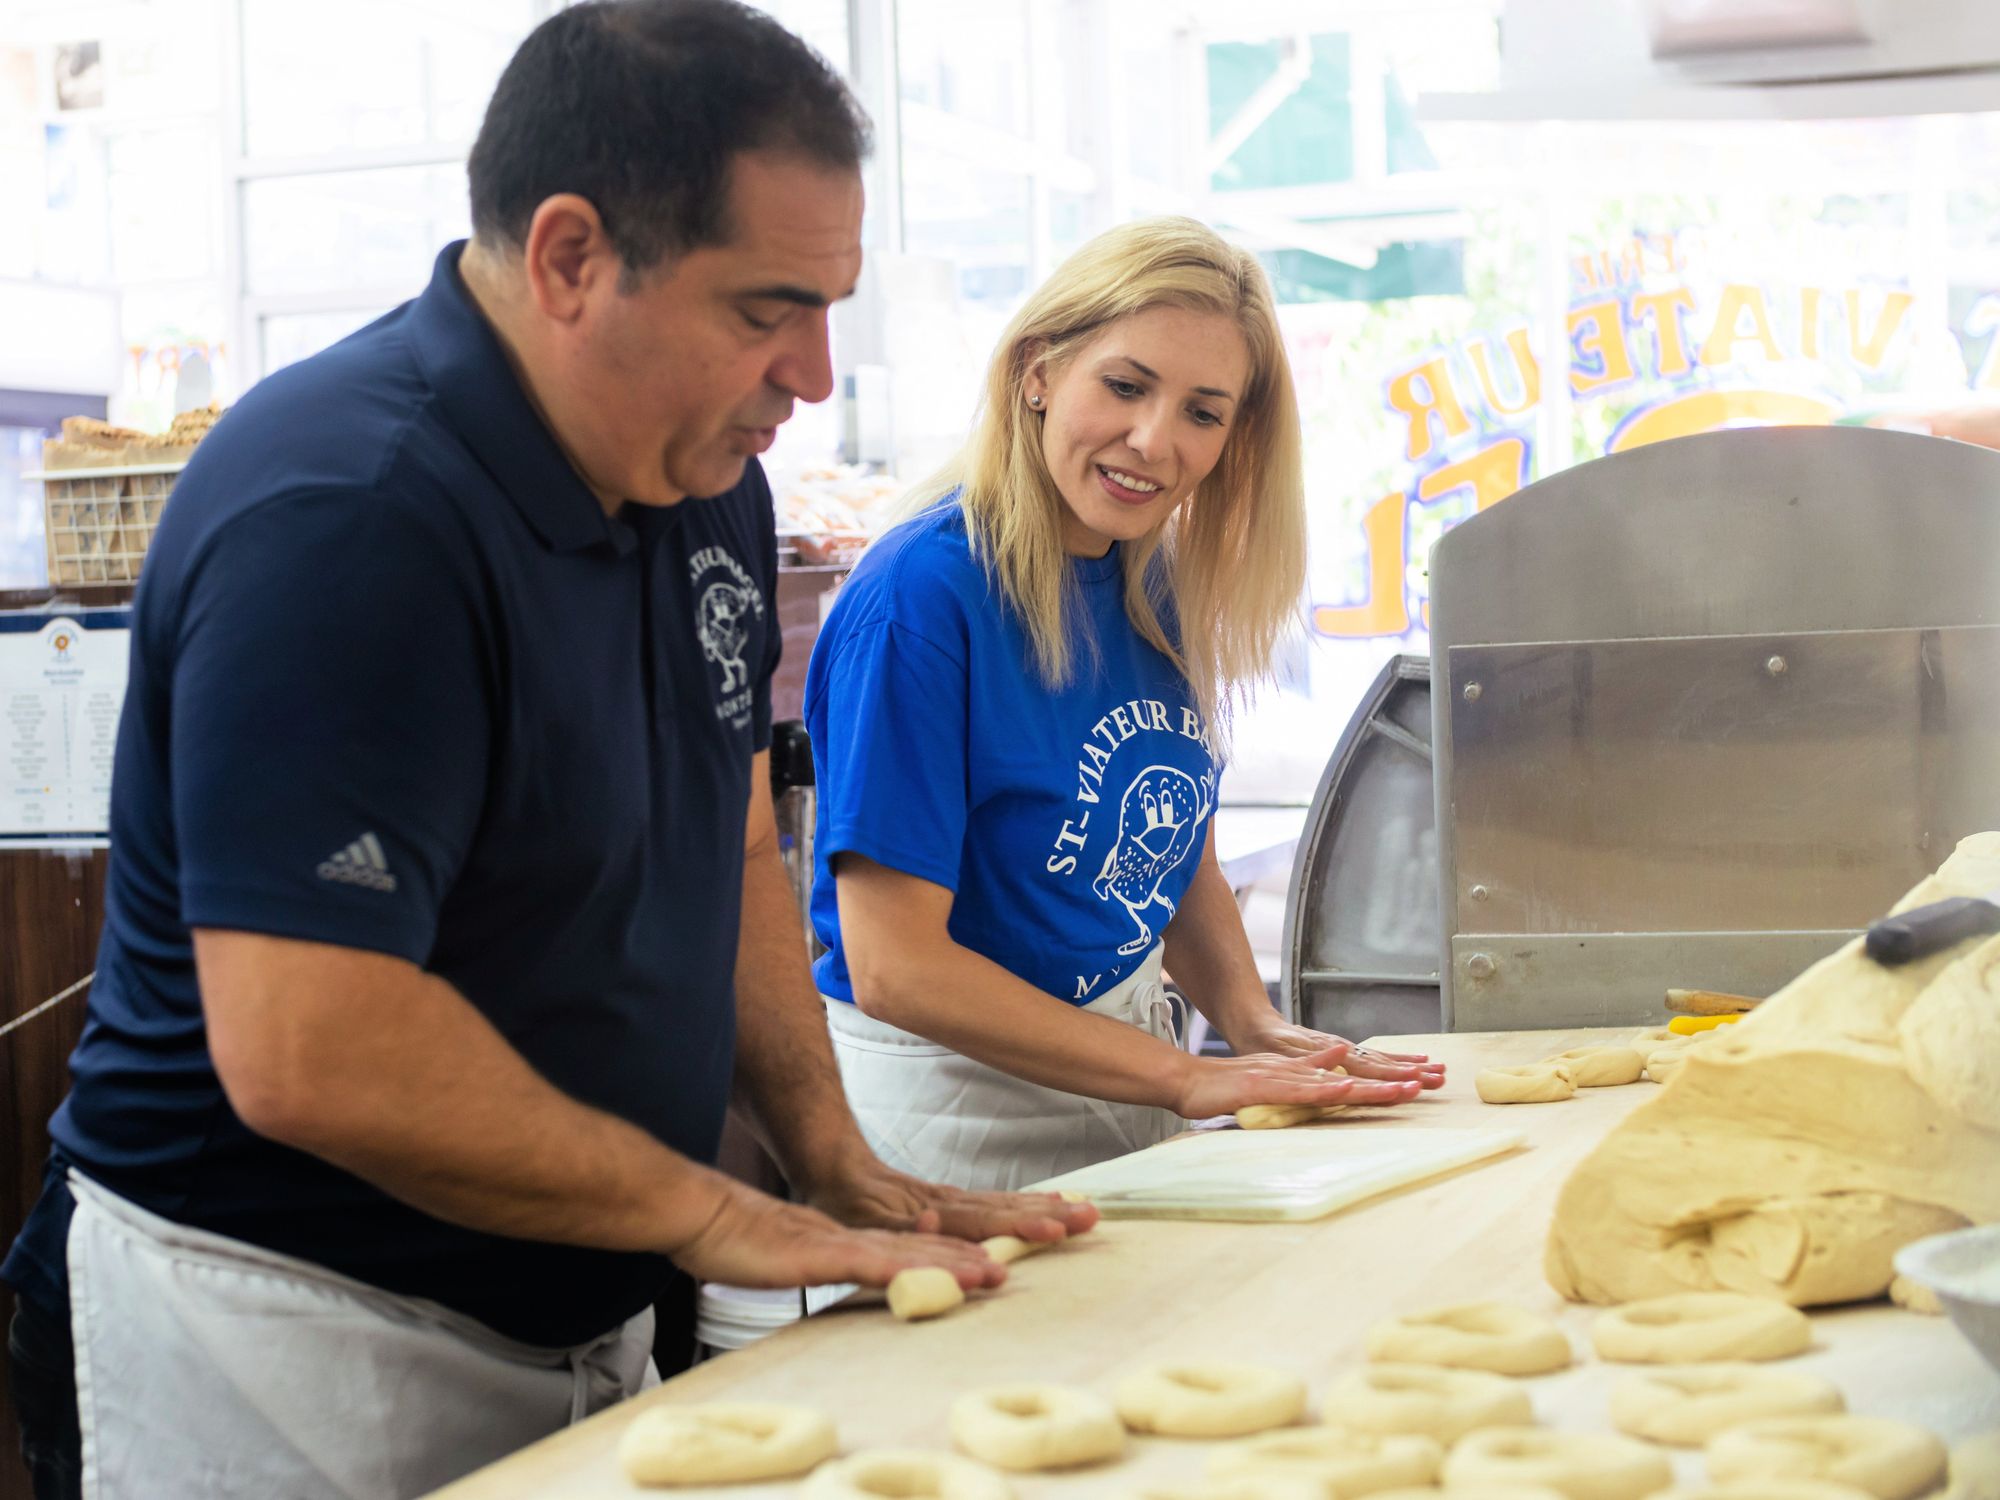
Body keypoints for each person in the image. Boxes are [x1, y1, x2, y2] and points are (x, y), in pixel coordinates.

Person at [0, 5, 1091, 1498]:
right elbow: (311, 1043)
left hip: (580, 1303)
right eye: (769, 308)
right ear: (572, 257)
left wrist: (825, 1142)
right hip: (276, 1332)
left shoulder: (703, 473)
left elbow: (725, 833)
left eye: (829, 309)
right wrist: (706, 1211)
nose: (815, 376)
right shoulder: (351, 515)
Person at [804, 217, 1446, 1192]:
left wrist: (1253, 1020)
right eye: (1124, 385)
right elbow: (897, 968)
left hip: (1130, 1078)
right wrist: (1186, 1077)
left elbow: (1166, 847)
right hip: (951, 1118)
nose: (1154, 440)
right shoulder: (922, 601)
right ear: (1036, 372)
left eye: (1202, 411)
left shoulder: (1157, 589)